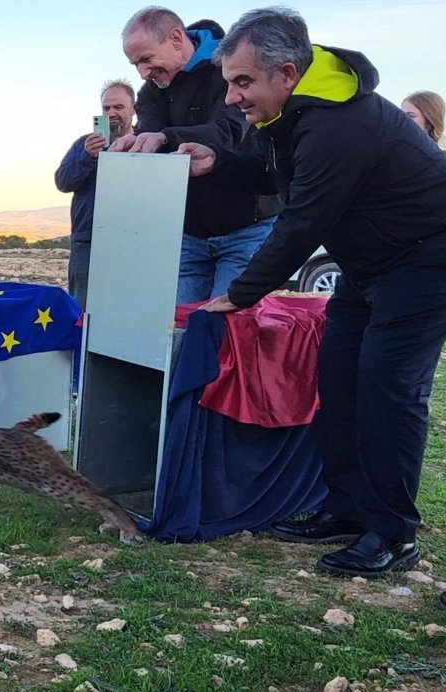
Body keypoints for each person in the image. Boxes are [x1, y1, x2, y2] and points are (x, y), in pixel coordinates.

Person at [179, 8, 446, 578]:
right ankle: (348, 509)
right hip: (370, 267)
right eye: (229, 81)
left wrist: (239, 294)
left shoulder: (341, 125)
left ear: (288, 72)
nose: (231, 98)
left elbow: (302, 222)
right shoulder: (299, 115)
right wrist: (217, 160)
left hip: (426, 263)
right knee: (339, 378)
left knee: (388, 392)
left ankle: (393, 534)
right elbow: (275, 172)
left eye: (243, 82)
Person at [113, 6, 277, 305]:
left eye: (146, 59)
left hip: (246, 229)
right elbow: (149, 138)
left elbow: (228, 131)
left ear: (176, 38)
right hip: (186, 235)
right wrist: (133, 148)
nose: (142, 72)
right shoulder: (151, 92)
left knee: (225, 332)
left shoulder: (229, 70)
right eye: (135, 63)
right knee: (179, 328)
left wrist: (164, 137)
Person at [54, 80, 136, 310]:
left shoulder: (145, 143)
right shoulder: (84, 144)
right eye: (106, 108)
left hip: (132, 240)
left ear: (133, 109)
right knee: (83, 308)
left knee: (126, 306)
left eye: (118, 107)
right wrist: (87, 157)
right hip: (87, 240)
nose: (112, 113)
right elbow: (63, 181)